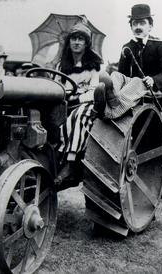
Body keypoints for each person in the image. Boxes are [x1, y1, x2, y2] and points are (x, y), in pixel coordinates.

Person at [53, 22, 116, 189]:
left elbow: (95, 91)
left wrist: (76, 99)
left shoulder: (95, 64)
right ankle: (51, 157)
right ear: (69, 42)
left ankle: (70, 163)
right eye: (74, 38)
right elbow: (55, 86)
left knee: (77, 116)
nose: (76, 42)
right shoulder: (61, 65)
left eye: (81, 39)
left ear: (87, 43)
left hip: (89, 103)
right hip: (65, 102)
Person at [118, 3, 162, 111]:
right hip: (132, 102)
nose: (138, 27)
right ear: (131, 27)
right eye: (135, 24)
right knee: (116, 77)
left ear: (150, 26)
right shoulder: (127, 47)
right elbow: (122, 75)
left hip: (155, 102)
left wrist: (154, 80)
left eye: (142, 23)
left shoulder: (160, 45)